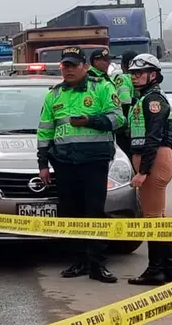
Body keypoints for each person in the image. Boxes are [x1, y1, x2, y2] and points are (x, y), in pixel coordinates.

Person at [37, 47, 125, 283]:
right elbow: (45, 130)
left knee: (94, 212)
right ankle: (79, 262)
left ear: (85, 66)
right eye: (65, 65)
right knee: (71, 213)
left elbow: (118, 118)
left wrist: (91, 121)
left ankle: (97, 264)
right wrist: (43, 163)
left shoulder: (102, 87)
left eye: (73, 65)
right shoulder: (53, 95)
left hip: (94, 162)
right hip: (64, 163)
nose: (68, 70)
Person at [125, 53, 172, 285]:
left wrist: (143, 172)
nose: (135, 77)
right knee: (159, 217)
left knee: (153, 219)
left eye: (140, 73)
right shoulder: (145, 98)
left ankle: (155, 269)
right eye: (133, 74)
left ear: (153, 75)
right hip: (152, 158)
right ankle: (169, 268)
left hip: (155, 159)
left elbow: (153, 138)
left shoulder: (153, 100)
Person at [114, 50, 139, 155]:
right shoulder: (140, 78)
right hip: (138, 124)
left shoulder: (123, 79)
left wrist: (126, 126)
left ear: (124, 64)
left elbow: (125, 103)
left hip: (126, 127)